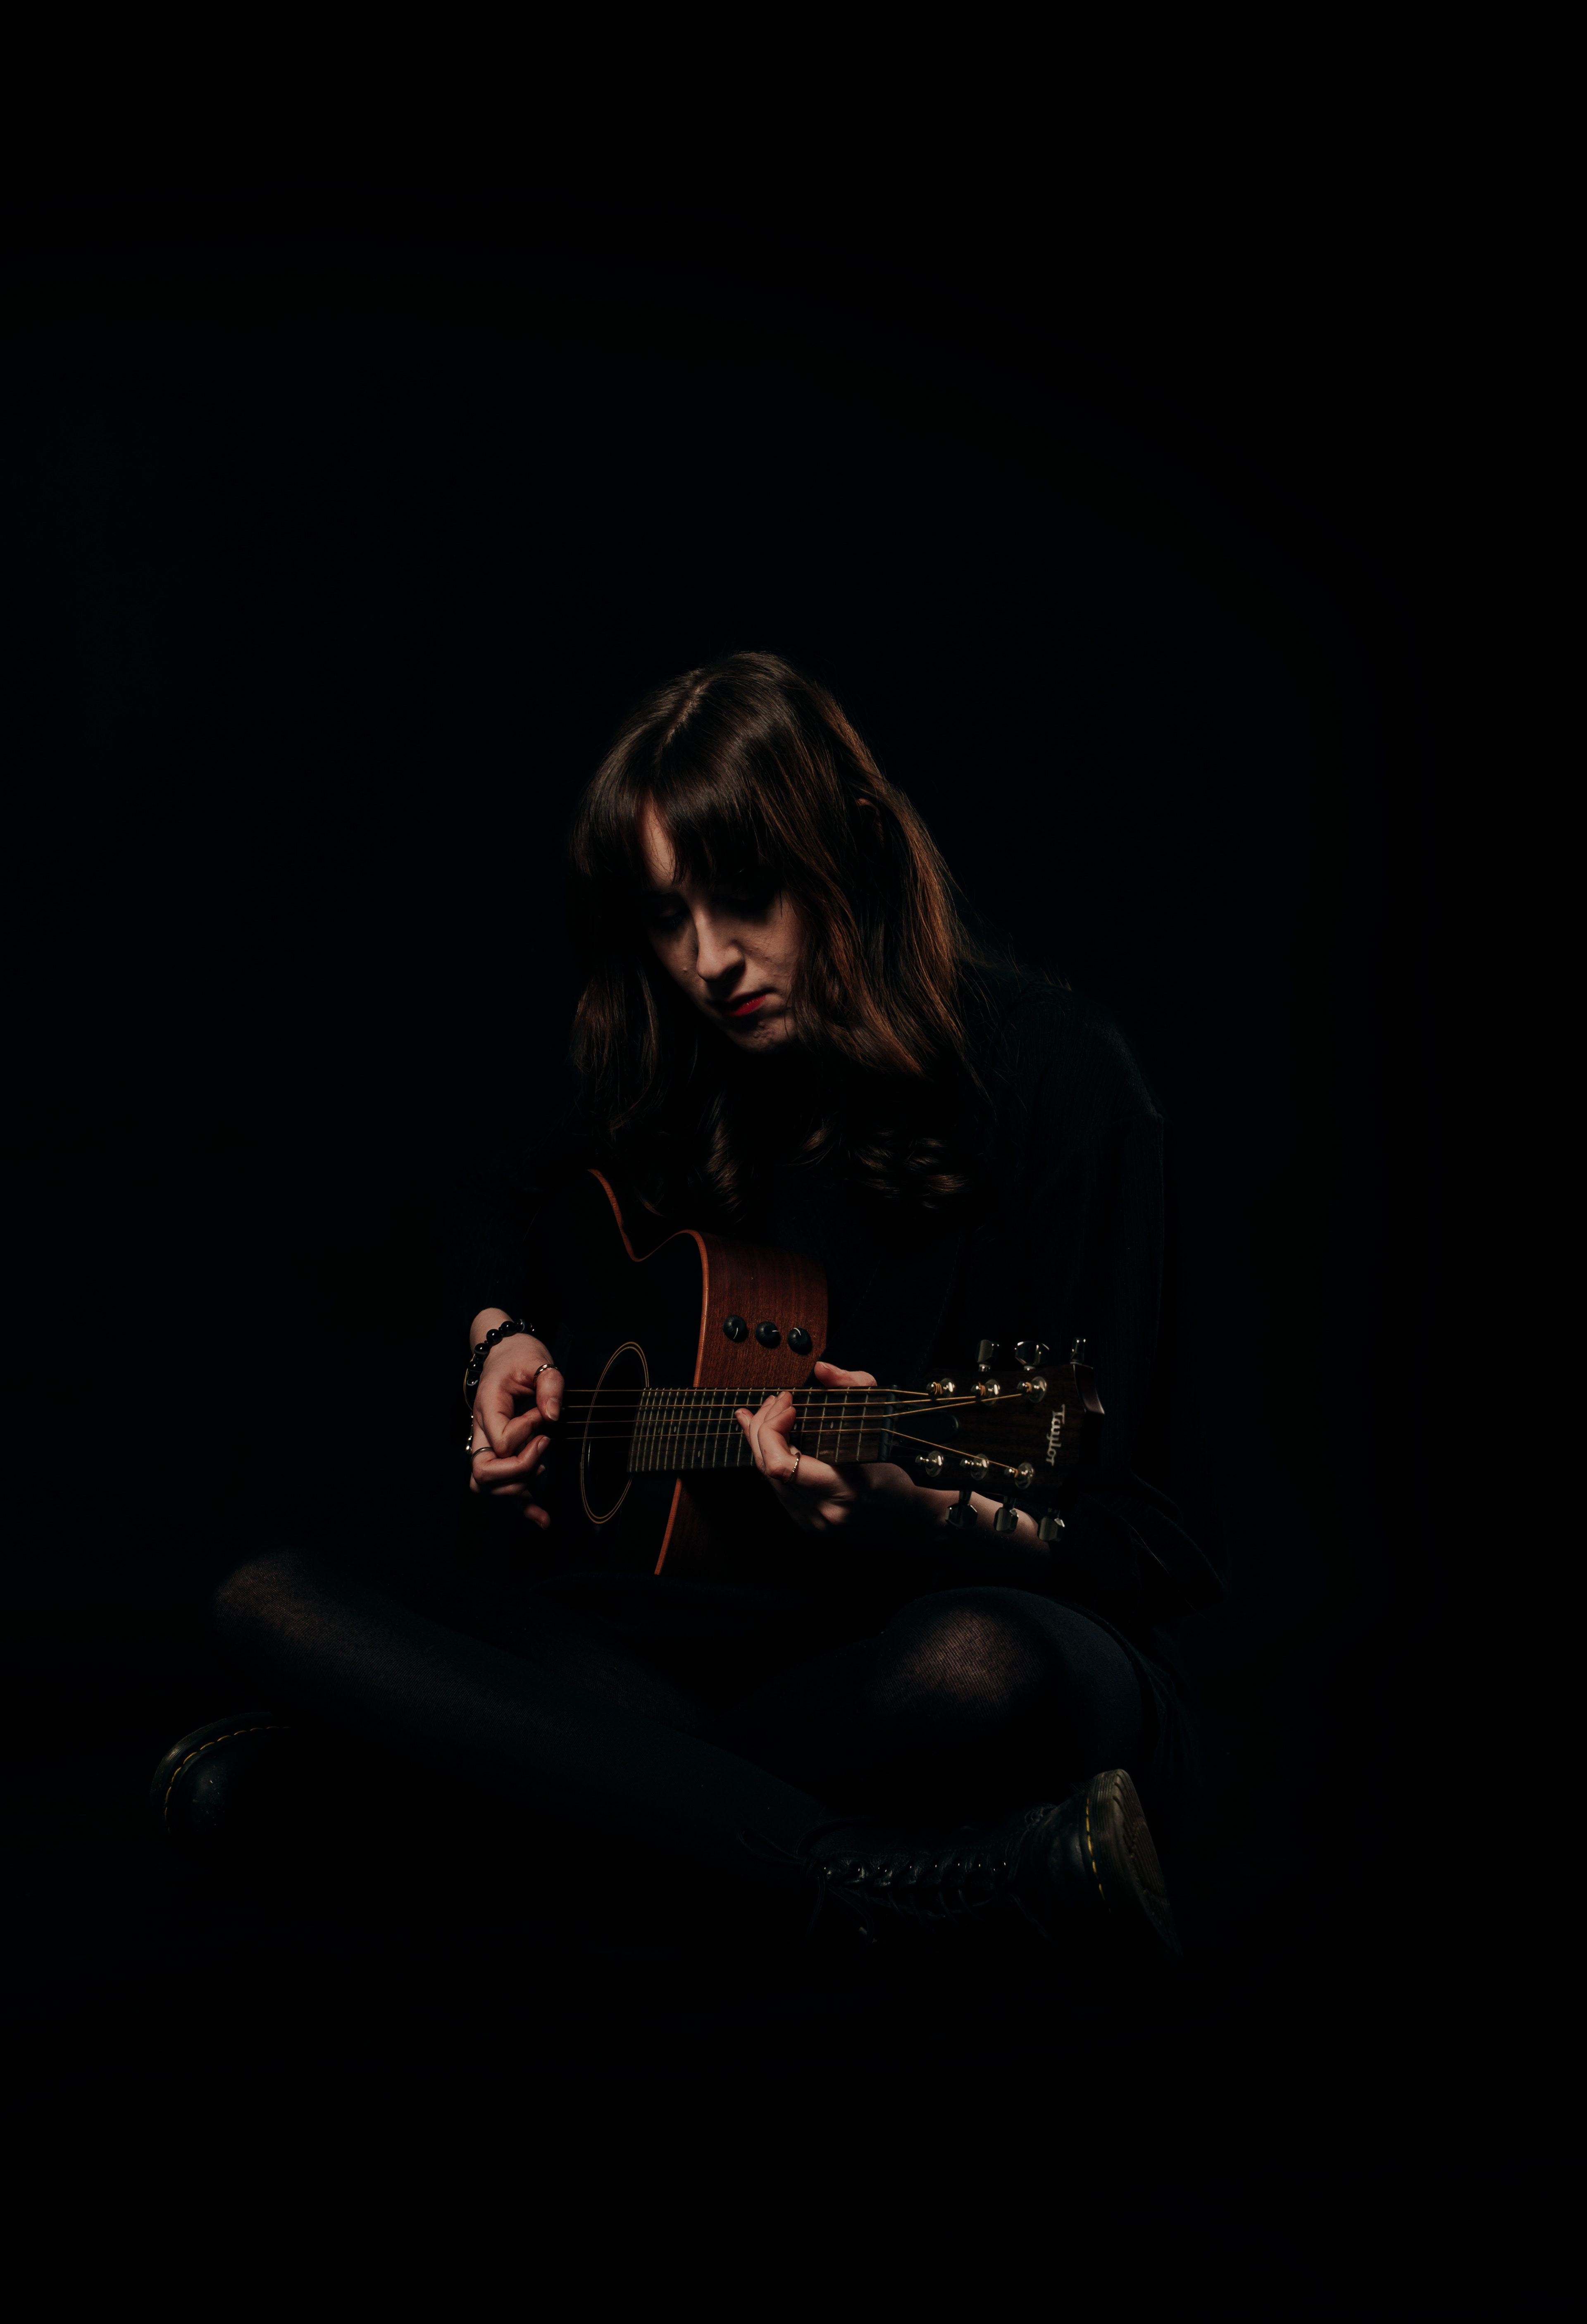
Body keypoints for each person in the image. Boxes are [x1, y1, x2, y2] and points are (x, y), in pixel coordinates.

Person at [157, 652, 1227, 1963]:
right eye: (670, 918)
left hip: (943, 1654)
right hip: (713, 1660)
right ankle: (870, 1872)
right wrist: (504, 1338)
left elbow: (1143, 1533)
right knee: (266, 1599)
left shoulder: (1063, 1079)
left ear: (852, 847)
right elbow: (494, 1196)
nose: (712, 961)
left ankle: (511, 1799)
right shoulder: (694, 1074)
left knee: (985, 1664)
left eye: (746, 895)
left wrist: (921, 1509)